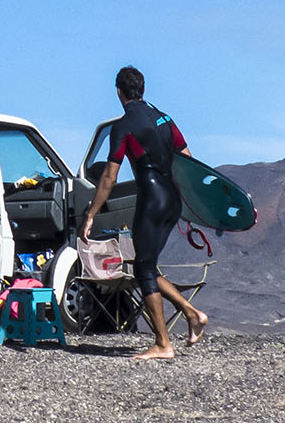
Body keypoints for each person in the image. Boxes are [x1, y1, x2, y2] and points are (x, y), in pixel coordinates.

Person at [79, 66, 208, 359]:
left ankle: (164, 344)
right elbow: (188, 160)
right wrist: (191, 205)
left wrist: (91, 214)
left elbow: (109, 178)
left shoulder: (124, 126)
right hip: (172, 201)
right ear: (143, 89)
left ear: (119, 92)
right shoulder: (164, 118)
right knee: (144, 266)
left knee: (143, 269)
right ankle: (191, 313)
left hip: (151, 200)